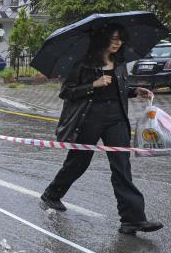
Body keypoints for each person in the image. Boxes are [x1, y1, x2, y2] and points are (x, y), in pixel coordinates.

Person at [40, 26, 163, 235]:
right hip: (89, 119)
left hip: (116, 120)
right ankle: (52, 194)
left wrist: (135, 91)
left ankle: (132, 219)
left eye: (121, 39)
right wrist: (93, 84)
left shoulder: (119, 63)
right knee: (78, 162)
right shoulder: (83, 64)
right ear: (102, 40)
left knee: (122, 167)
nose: (118, 43)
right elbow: (67, 93)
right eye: (113, 39)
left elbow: (119, 90)